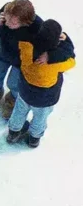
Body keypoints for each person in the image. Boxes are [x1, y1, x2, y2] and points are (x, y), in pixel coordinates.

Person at [7, 19, 76, 148]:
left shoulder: (26, 48)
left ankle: (13, 132)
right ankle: (34, 138)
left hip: (25, 92)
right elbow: (72, 60)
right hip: (45, 99)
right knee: (40, 117)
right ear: (56, 42)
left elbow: (24, 39)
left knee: (19, 111)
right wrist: (66, 40)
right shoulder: (55, 64)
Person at [0, 0, 43, 119]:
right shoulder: (8, 10)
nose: (7, 23)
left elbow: (49, 45)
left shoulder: (37, 26)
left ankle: (13, 99)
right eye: (6, 19)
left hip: (20, 62)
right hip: (1, 53)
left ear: (25, 22)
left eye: (13, 23)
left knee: (14, 84)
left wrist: (40, 57)